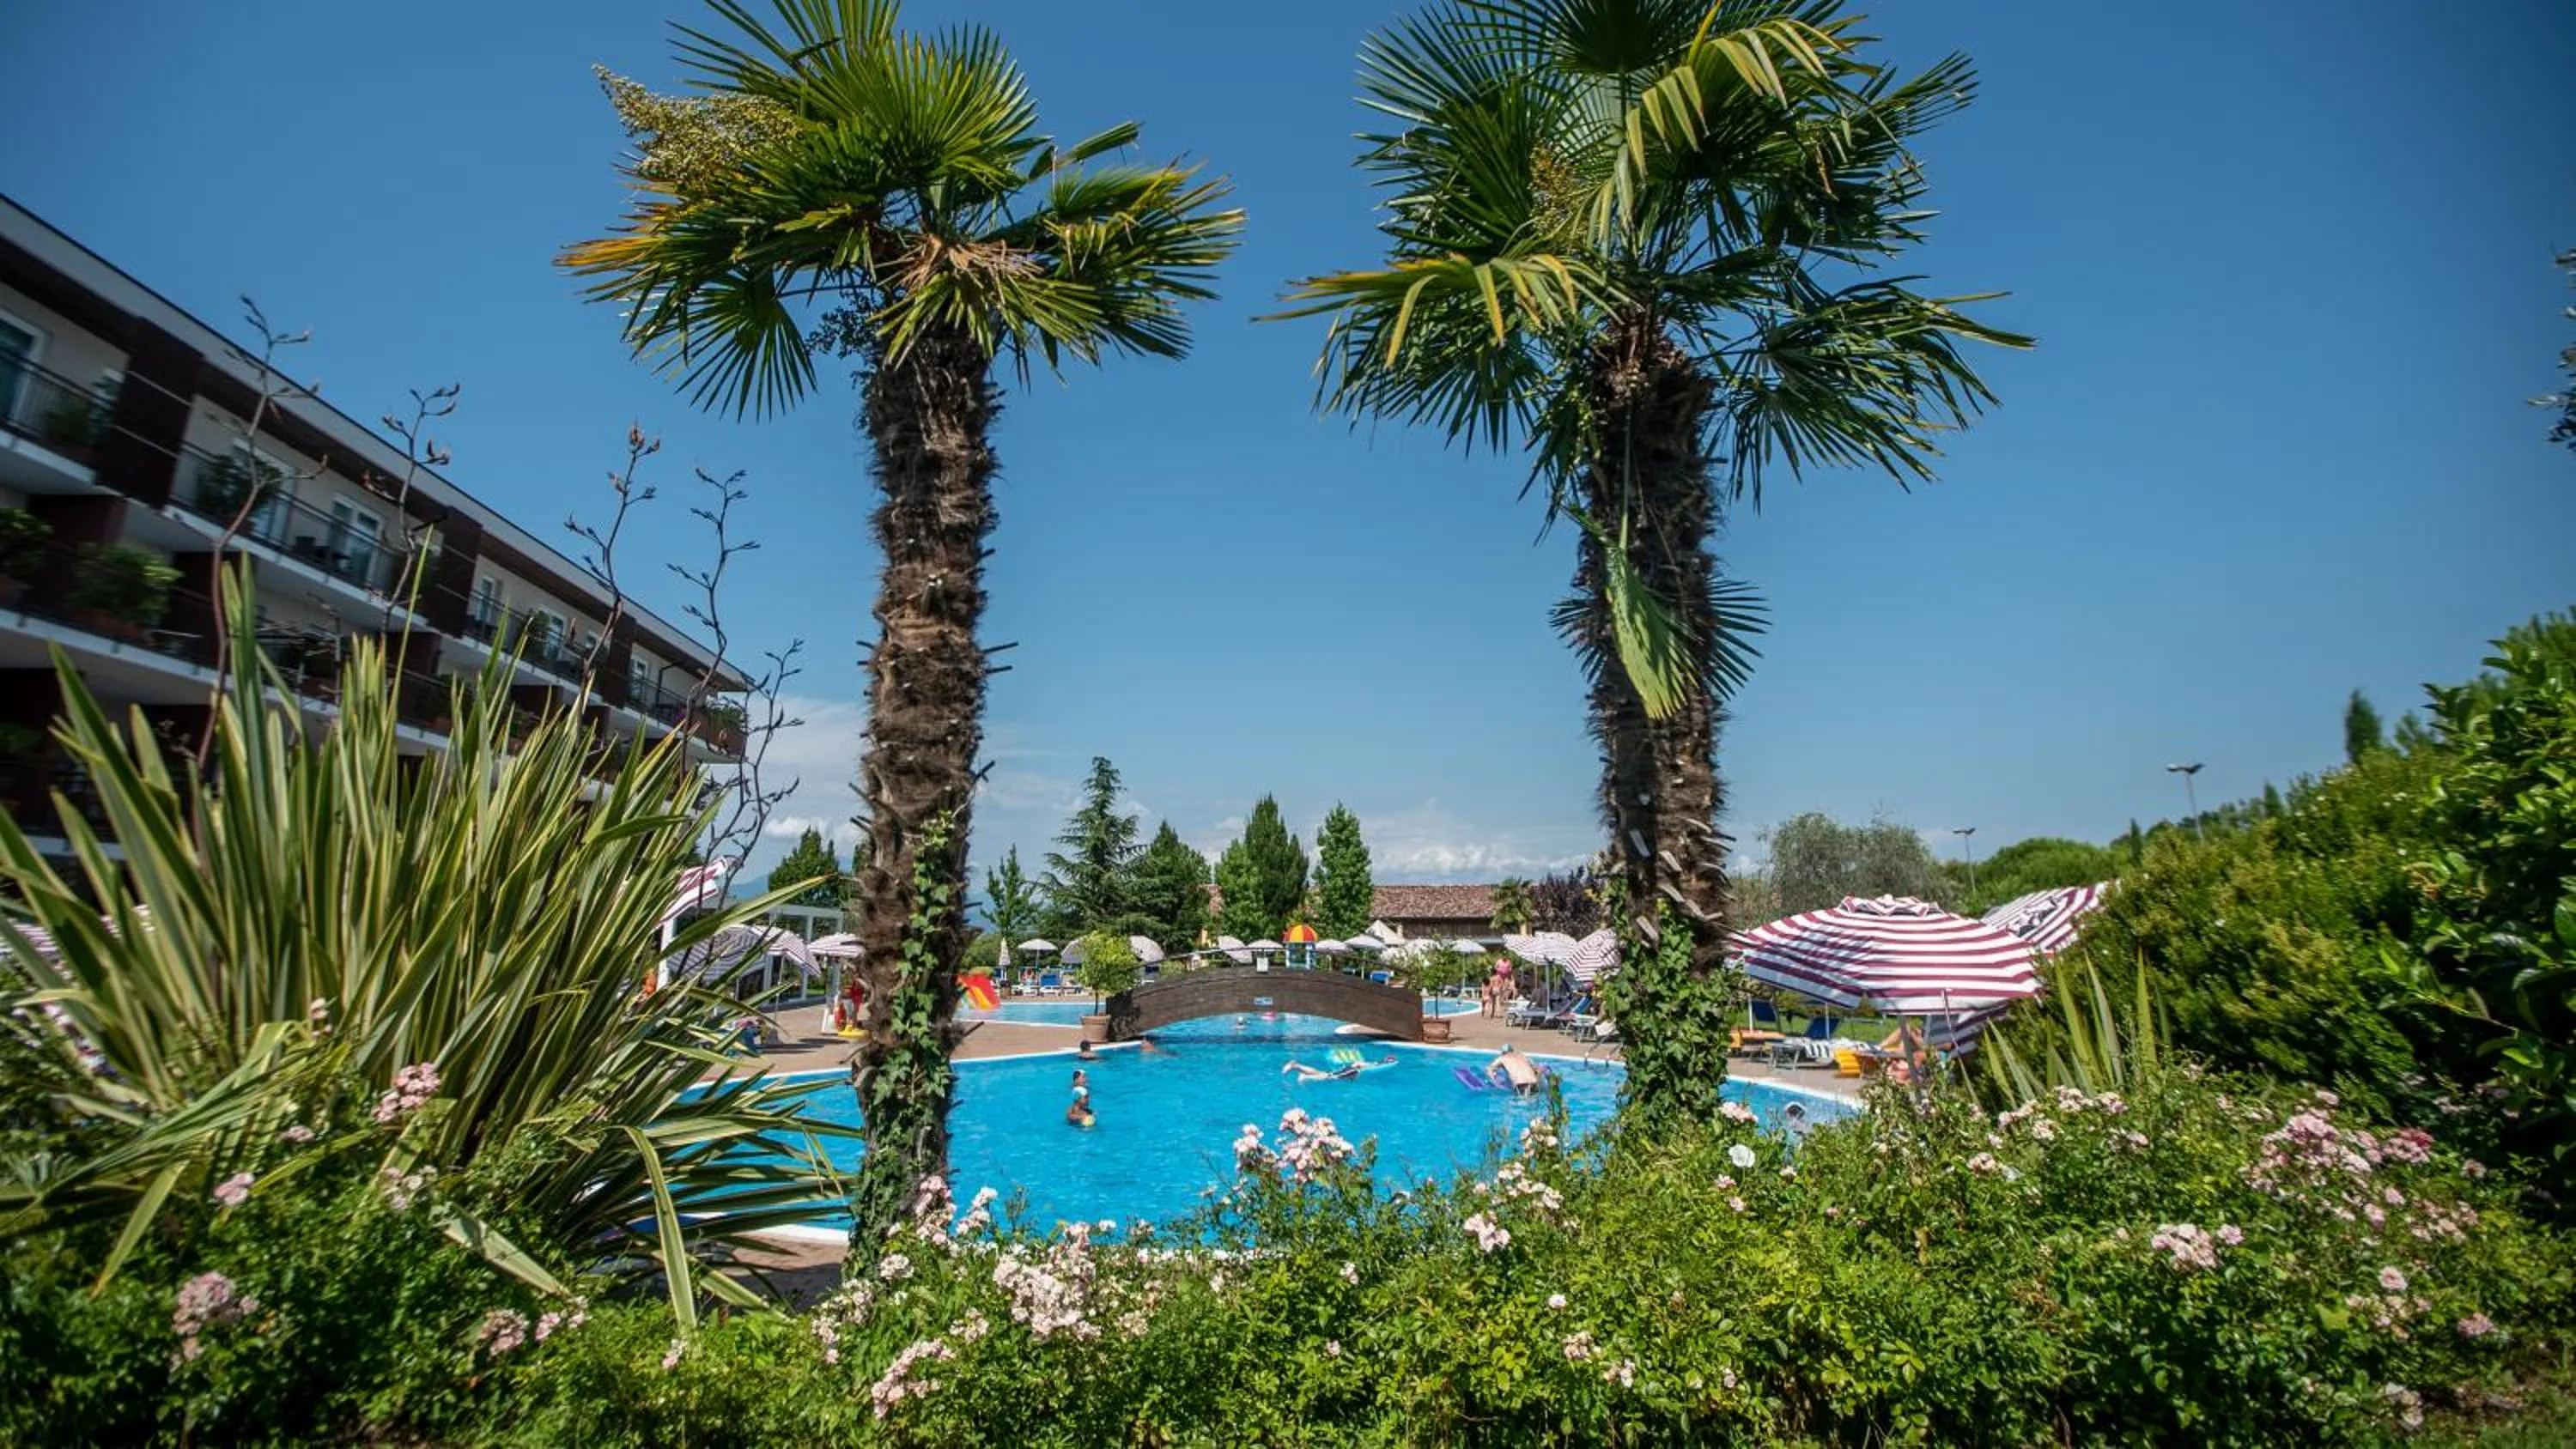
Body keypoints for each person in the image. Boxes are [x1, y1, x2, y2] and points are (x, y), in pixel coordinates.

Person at [1281, 1059, 1362, 1082]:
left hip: (1330, 1073)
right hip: (1332, 1076)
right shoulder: (1356, 1071)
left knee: (1316, 1072)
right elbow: (1353, 1079)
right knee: (1316, 1076)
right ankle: (1301, 1072)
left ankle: (1297, 1066)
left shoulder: (1350, 1067)